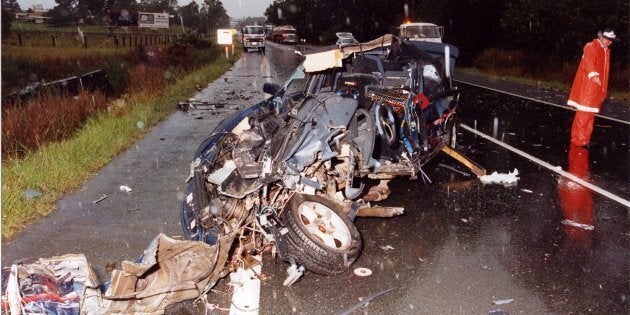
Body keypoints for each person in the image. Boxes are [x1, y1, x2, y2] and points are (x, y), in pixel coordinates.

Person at [567, 28, 620, 147]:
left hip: (596, 89)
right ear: (602, 37)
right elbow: (588, 62)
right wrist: (593, 74)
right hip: (588, 87)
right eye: (607, 39)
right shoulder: (592, 46)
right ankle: (578, 140)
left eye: (611, 41)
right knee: (584, 114)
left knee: (590, 116)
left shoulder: (605, 51)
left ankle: (584, 139)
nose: (608, 42)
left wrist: (603, 90)